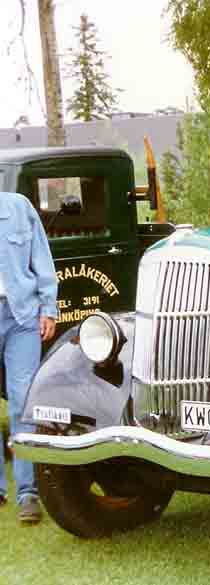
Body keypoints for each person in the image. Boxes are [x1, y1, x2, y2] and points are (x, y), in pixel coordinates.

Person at [0, 191, 57, 524]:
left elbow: (42, 259)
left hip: (22, 316)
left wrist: (48, 307)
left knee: (23, 400)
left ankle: (28, 493)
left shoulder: (19, 207)